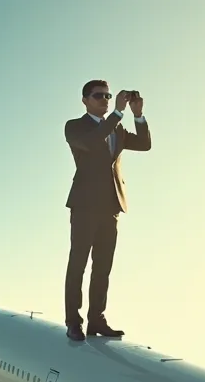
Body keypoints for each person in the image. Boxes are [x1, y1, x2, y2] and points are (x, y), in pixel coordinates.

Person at [62, 80, 151, 341]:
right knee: (77, 264)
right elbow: (91, 142)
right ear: (85, 100)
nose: (104, 100)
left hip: (111, 207)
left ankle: (96, 320)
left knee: (103, 266)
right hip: (84, 206)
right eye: (98, 96)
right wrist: (117, 113)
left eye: (108, 96)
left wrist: (138, 115)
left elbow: (144, 144)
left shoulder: (118, 127)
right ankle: (73, 321)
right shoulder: (75, 127)